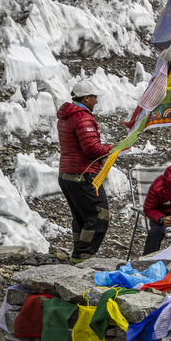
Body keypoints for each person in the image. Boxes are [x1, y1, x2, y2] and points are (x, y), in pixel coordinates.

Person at [57, 81, 114, 263]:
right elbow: (91, 149)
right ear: (86, 98)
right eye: (94, 97)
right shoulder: (82, 117)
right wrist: (112, 149)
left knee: (81, 216)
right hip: (83, 174)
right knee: (99, 215)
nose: (96, 101)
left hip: (67, 174)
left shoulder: (66, 116)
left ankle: (78, 254)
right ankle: (82, 256)